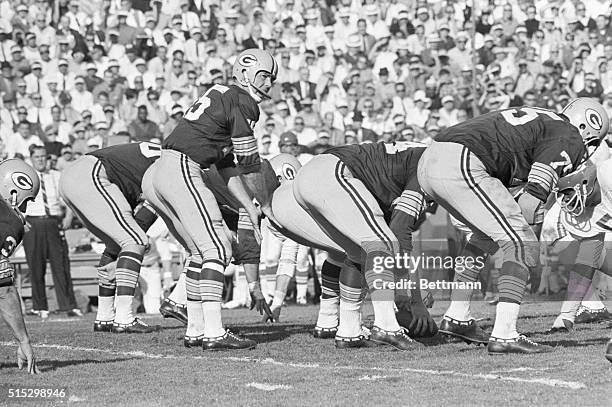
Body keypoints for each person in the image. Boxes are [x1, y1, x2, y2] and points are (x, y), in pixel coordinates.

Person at [417, 98, 609, 354]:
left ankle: (457, 316)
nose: (590, 148)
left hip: (435, 158)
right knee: (521, 242)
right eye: (593, 141)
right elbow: (529, 205)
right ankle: (505, 333)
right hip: (462, 162)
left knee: (483, 236)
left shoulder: (543, 119)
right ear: (586, 127)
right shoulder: (568, 136)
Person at [141, 48, 278, 351]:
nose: (269, 83)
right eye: (264, 75)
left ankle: (196, 328)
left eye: (271, 78)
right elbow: (249, 162)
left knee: (198, 251)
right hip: (182, 166)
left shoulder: (223, 95)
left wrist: (246, 205)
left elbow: (226, 166)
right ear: (245, 73)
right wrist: (264, 204)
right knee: (218, 245)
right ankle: (214, 332)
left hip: (160, 170)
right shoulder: (243, 102)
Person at [293, 141, 436, 349]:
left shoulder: (419, 157)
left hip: (312, 177)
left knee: (356, 252)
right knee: (383, 244)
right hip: (330, 174)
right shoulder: (431, 167)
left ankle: (346, 331)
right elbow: (399, 231)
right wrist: (412, 298)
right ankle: (387, 327)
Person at [59, 142, 162, 333]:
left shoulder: (160, 157)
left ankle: (104, 317)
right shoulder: (174, 166)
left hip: (73, 175)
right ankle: (124, 318)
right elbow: (149, 213)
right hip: (92, 173)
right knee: (136, 241)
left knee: (117, 243)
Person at [24, 146, 81, 319]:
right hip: (32, 222)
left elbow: (68, 198)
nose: (40, 160)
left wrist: (69, 216)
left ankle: (68, 305)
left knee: (61, 264)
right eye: (37, 157)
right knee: (36, 266)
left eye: (43, 156)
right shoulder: (25, 177)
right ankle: (39, 306)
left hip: (53, 221)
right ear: (31, 158)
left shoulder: (56, 175)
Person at [0, 158, 40, 374]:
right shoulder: (10, 221)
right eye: (27, 201)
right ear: (14, 190)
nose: (25, 208)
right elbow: (3, 288)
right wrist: (24, 340)